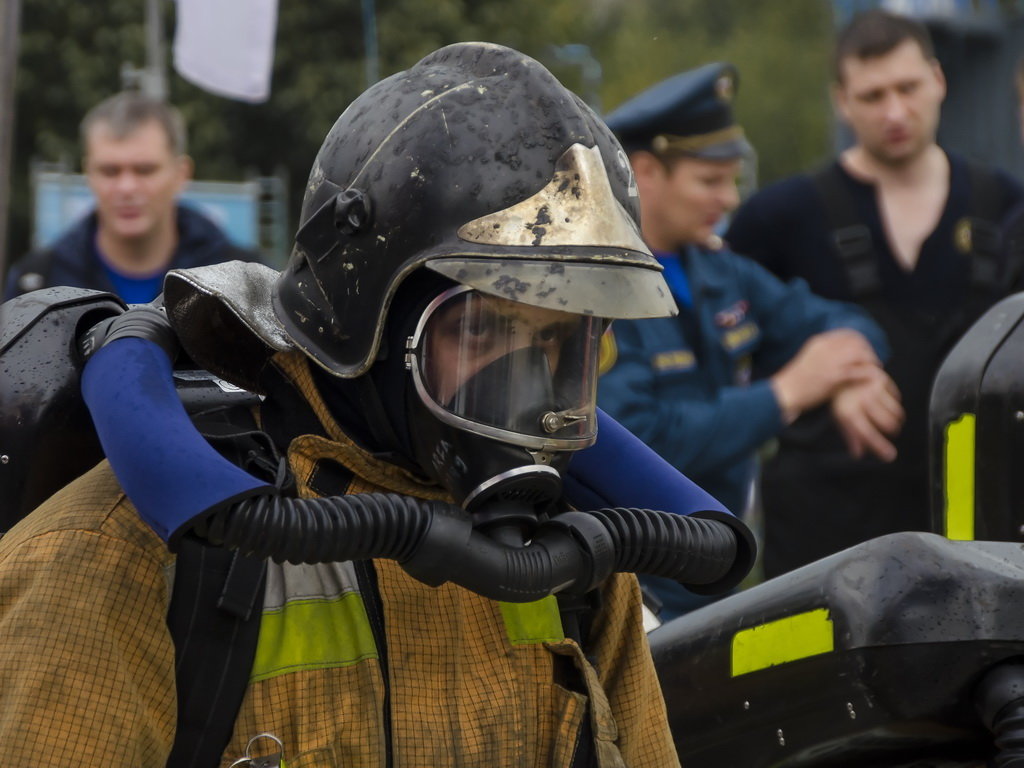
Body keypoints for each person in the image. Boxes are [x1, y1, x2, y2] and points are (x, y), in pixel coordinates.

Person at [0, 43, 710, 766]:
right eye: (485, 328)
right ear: (368, 312)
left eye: (562, 342)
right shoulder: (121, 553)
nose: (528, 384)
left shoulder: (572, 548)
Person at [597, 62, 901, 620]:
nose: (731, 198)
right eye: (710, 181)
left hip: (714, 578)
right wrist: (787, 392)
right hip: (634, 588)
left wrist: (850, 377)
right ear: (646, 171)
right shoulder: (602, 289)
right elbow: (642, 440)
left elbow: (851, 323)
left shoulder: (720, 272)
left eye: (732, 178)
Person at [725, 10, 1024, 578]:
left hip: (979, 539)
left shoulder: (1007, 208)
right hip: (825, 546)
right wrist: (828, 376)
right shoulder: (776, 221)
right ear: (842, 100)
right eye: (872, 95)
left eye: (908, 88)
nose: (894, 112)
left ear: (938, 79)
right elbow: (717, 369)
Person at [3, 91, 261, 303]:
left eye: (145, 170)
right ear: (88, 174)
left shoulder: (245, 282)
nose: (126, 187)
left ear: (181, 174)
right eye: (110, 171)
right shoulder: (36, 284)